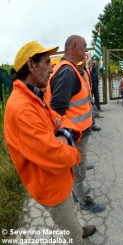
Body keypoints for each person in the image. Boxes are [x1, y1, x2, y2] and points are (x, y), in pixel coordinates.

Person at [4, 41, 96, 243]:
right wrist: (75, 154)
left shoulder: (34, 96)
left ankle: (78, 229)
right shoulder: (22, 109)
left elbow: (63, 119)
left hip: (59, 179)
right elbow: (56, 153)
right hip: (50, 185)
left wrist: (63, 134)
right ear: (31, 65)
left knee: (69, 214)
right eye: (47, 62)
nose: (52, 66)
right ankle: (77, 235)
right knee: (70, 231)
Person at [46, 35, 106, 212]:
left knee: (78, 165)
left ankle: (76, 190)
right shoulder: (67, 72)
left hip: (79, 132)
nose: (86, 51)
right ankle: (82, 199)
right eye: (84, 47)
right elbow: (57, 109)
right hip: (75, 133)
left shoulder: (70, 69)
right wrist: (65, 135)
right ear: (74, 47)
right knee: (79, 168)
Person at [76, 61, 101, 132]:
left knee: (91, 111)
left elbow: (88, 81)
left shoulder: (85, 71)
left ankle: (92, 125)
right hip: (81, 97)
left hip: (87, 95)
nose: (81, 66)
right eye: (79, 65)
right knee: (85, 113)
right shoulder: (75, 74)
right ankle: (88, 127)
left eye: (82, 65)